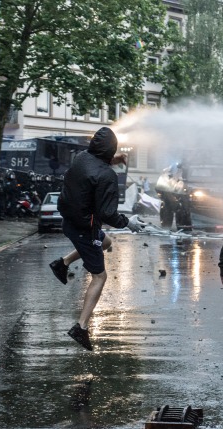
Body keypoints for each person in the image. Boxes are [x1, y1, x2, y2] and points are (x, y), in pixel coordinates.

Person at [49, 127, 146, 351]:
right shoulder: (108, 176)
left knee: (107, 243)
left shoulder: (81, 157)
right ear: (111, 149)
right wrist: (128, 223)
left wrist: (113, 160)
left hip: (70, 221)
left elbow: (93, 171)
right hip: (85, 228)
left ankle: (62, 263)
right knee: (100, 277)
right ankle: (81, 327)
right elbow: (107, 214)